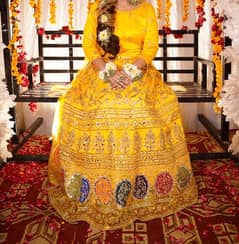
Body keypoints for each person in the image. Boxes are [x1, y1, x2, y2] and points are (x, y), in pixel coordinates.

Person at [48, 0, 198, 230]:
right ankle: (96, 187)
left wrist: (129, 73)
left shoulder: (146, 9)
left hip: (137, 71)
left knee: (140, 107)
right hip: (102, 70)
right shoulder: (98, 8)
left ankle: (140, 186)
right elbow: (89, 46)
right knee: (97, 108)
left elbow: (150, 47)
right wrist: (108, 73)